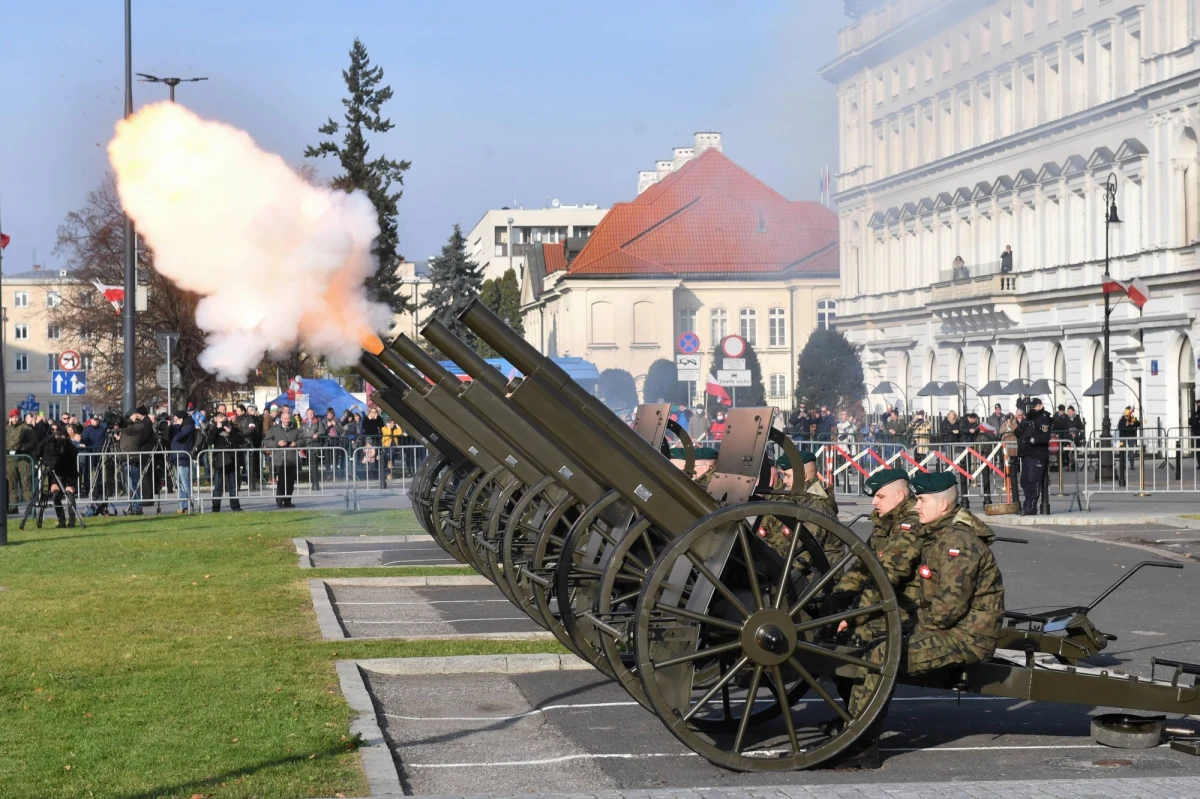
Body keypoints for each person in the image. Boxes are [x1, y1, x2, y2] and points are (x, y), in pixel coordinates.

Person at [832, 469, 926, 719]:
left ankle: (863, 732)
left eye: (880, 496)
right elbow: (862, 569)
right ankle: (850, 716)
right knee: (829, 638)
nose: (874, 502)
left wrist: (852, 616)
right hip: (886, 603)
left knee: (857, 640)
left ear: (899, 495)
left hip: (909, 609)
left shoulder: (910, 524)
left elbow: (888, 576)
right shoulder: (885, 521)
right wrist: (834, 601)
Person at [37, 422, 80, 528]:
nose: (59, 438)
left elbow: (73, 454)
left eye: (61, 436)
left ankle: (72, 520)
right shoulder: (50, 444)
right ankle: (61, 520)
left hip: (68, 472)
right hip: (55, 472)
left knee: (69, 492)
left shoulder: (69, 446)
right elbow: (41, 453)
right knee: (55, 493)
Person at [115, 406, 156, 516]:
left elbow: (130, 430)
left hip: (133, 457)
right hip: (127, 457)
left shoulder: (139, 426)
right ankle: (134, 506)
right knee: (130, 484)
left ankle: (137, 507)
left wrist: (125, 423)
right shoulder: (132, 426)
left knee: (134, 484)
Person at [1017, 398, 1052, 515]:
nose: (1032, 409)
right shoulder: (1029, 418)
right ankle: (1027, 504)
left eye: (1034, 406)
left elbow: (1044, 436)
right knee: (1025, 481)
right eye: (1031, 407)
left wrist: (1032, 440)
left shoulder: (1043, 417)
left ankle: (1032, 506)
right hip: (1026, 454)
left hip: (1036, 454)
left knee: (1033, 481)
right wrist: (1020, 422)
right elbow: (1018, 432)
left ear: (1041, 406)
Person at [204, 411, 244, 512]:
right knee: (218, 486)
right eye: (222, 421)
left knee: (233, 485)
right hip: (220, 462)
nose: (224, 423)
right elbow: (209, 441)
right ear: (216, 420)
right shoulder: (214, 430)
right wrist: (217, 428)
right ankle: (216, 507)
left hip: (232, 461)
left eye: (225, 421)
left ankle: (235, 507)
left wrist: (230, 431)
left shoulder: (233, 429)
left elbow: (240, 441)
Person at [266, 406, 301, 507]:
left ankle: (288, 501)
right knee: (281, 481)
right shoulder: (274, 429)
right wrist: (277, 443)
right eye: (285, 419)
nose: (287, 420)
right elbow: (267, 441)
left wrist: (296, 443)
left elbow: (302, 439)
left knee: (290, 482)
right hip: (280, 460)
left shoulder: (295, 429)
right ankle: (279, 500)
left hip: (291, 459)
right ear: (281, 419)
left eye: (288, 418)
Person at [169, 410, 196, 514]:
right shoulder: (182, 427)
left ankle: (189, 504)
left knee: (185, 483)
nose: (175, 422)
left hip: (182, 457)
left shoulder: (188, 427)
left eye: (176, 419)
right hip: (177, 457)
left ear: (181, 419)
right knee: (179, 483)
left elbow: (178, 438)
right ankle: (182, 505)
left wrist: (176, 426)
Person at [1117, 405, 1141, 478]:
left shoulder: (1132, 418)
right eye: (1127, 415)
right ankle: (1123, 465)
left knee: (1131, 451)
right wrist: (1126, 424)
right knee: (1123, 451)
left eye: (1128, 415)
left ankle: (1132, 465)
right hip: (1123, 436)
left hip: (1131, 436)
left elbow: (1138, 424)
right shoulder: (1122, 420)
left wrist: (1134, 422)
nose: (1128, 417)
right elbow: (1119, 427)